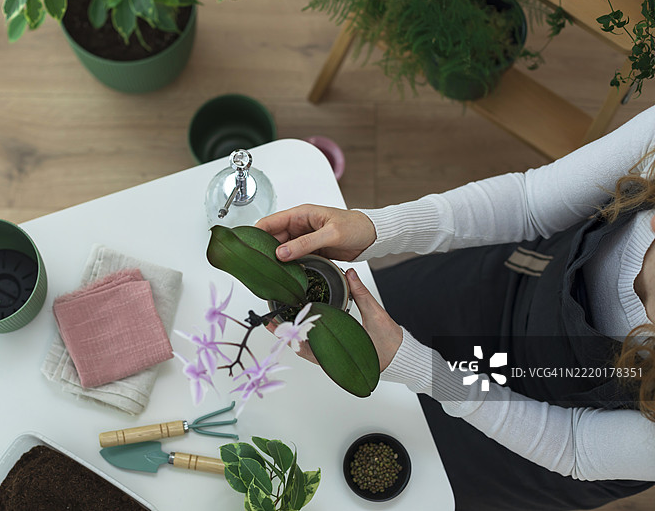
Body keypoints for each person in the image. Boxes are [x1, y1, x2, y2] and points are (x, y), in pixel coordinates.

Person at [255, 105, 655, 511]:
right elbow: (531, 202)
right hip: (520, 281)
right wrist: (377, 229)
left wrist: (412, 364)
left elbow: (573, 446)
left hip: (551, 432)